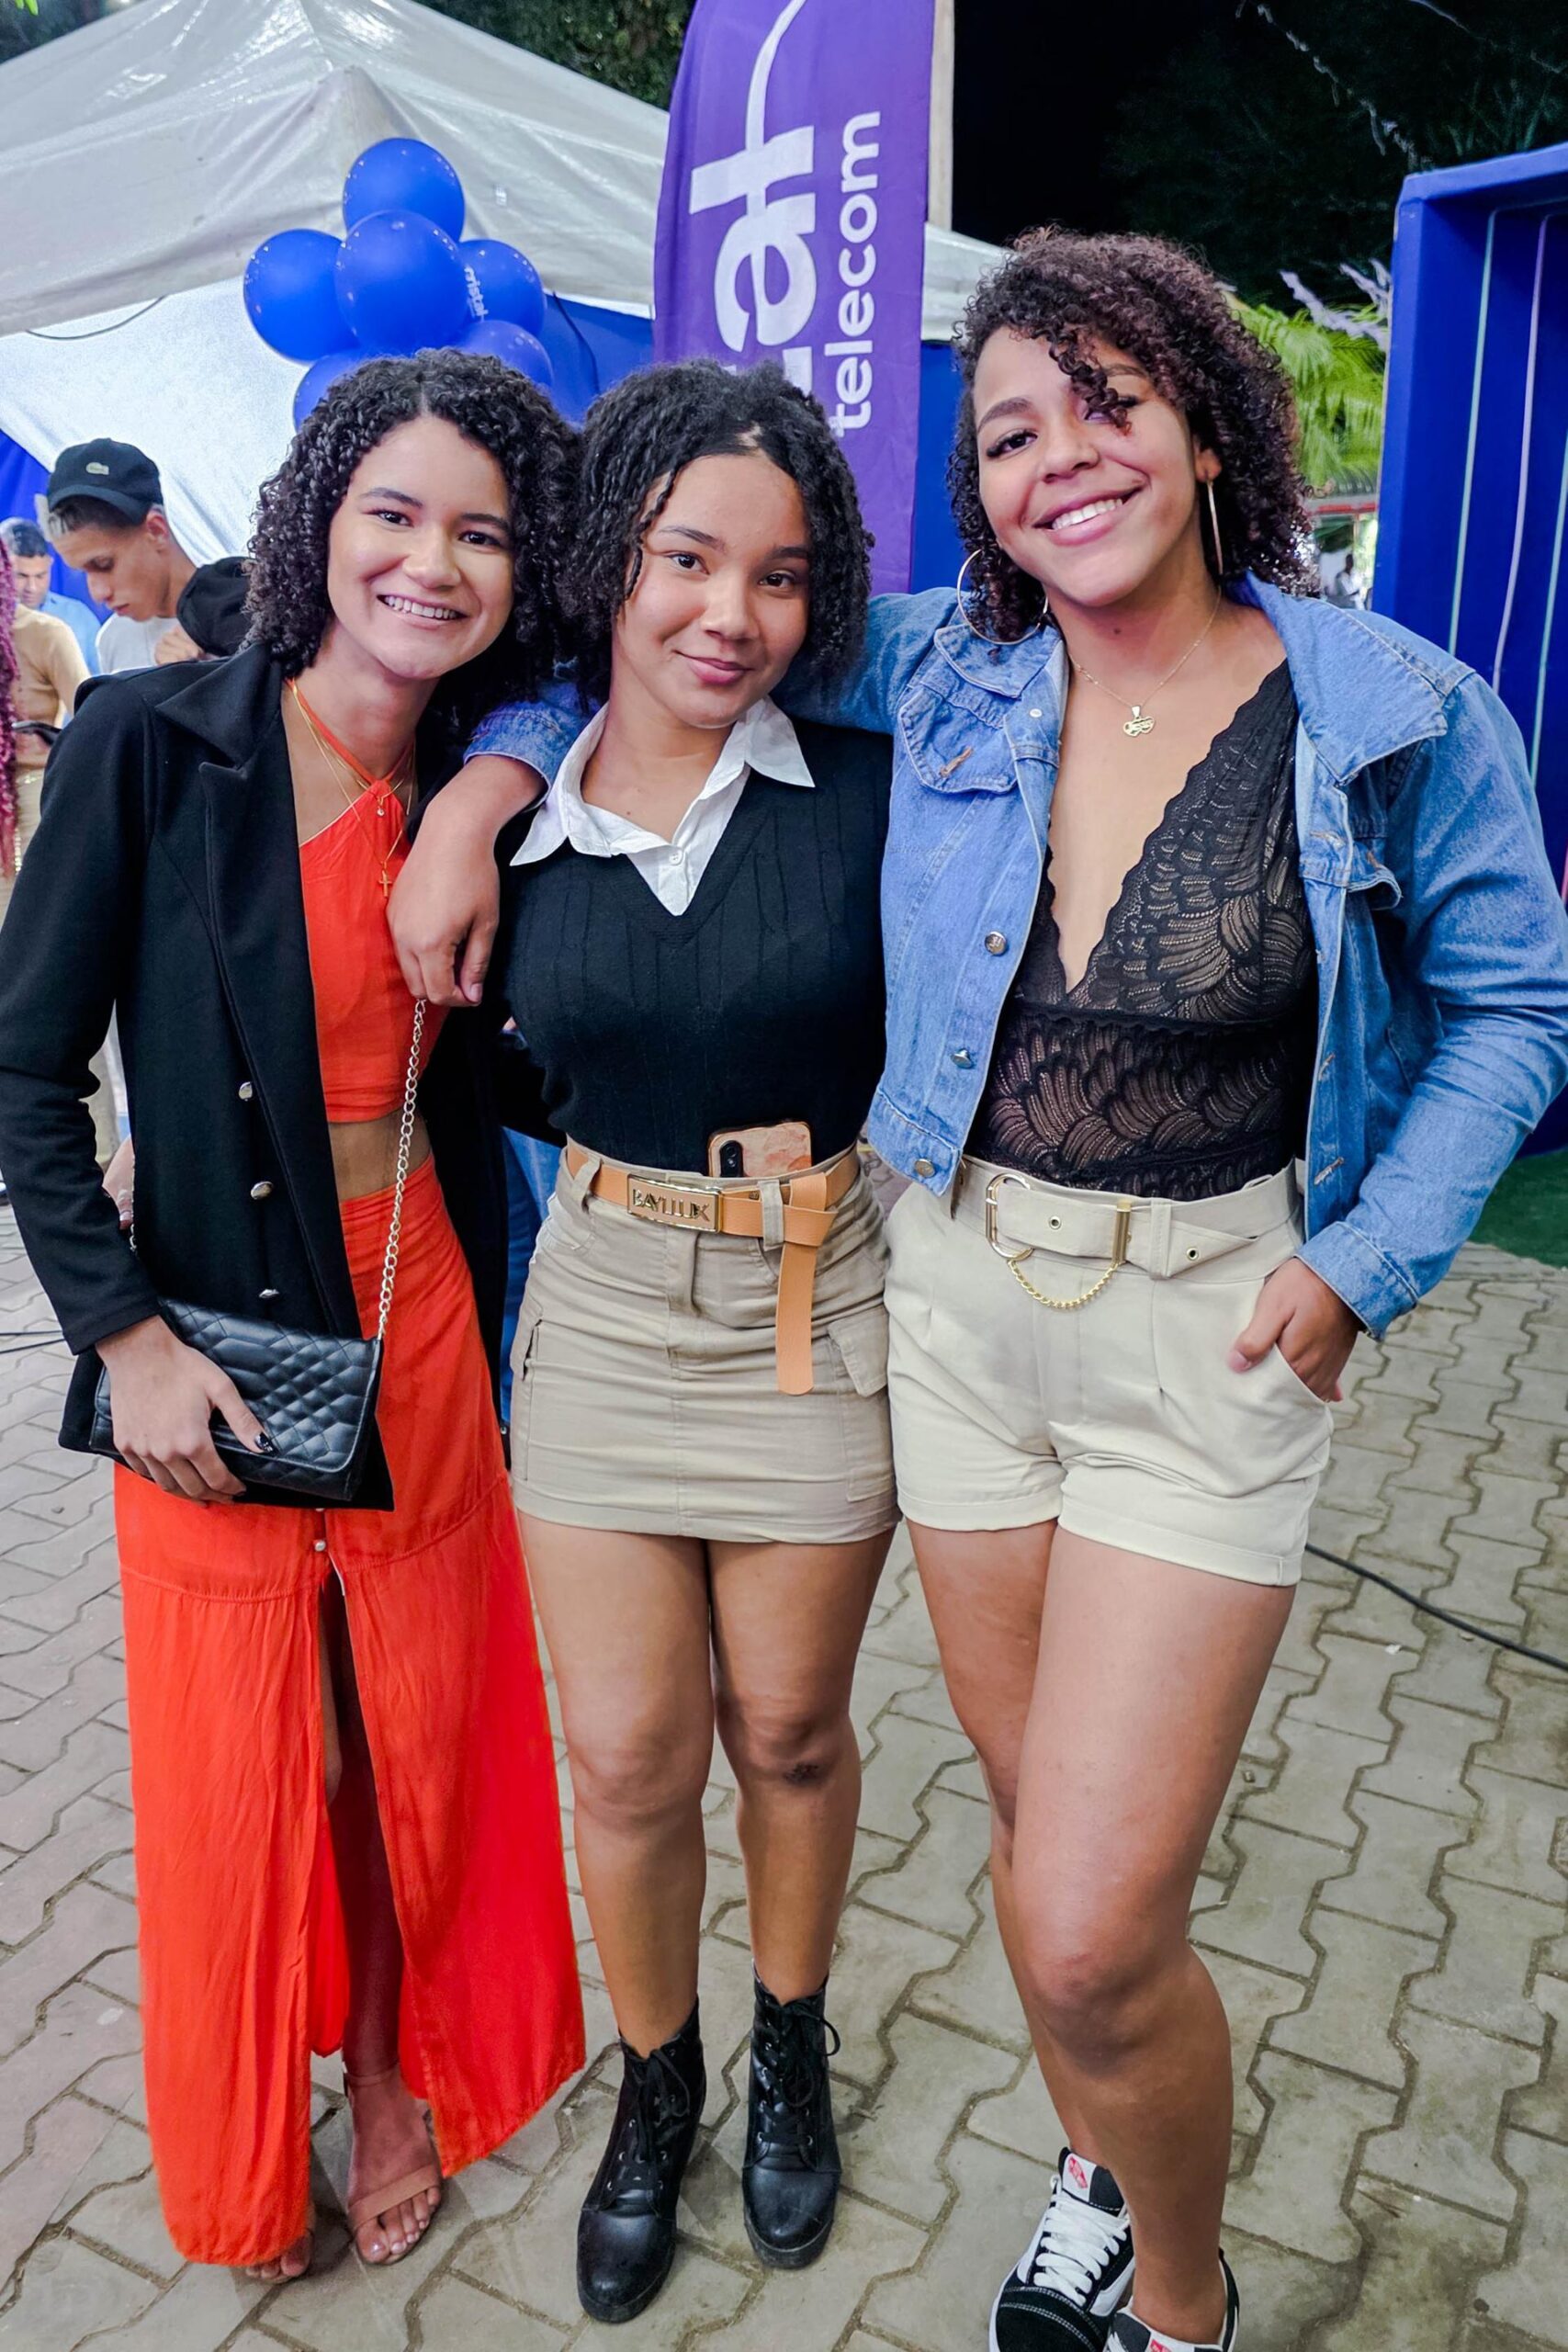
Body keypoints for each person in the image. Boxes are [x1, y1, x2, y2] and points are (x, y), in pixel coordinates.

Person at [392, 230, 1568, 2352]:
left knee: (1096, 1919)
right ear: (978, 494)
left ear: (1206, 426)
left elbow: (1510, 1006)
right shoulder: (939, 668)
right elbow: (669, 642)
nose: (1059, 459)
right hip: (946, 1312)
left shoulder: (1392, 711)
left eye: (1106, 403)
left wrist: (1364, 1258)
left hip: (1212, 1331)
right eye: (1009, 432)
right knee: (1038, 1838)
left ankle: (1180, 2305)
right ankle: (1090, 2170)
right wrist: (483, 789)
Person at [0, 352, 584, 2281]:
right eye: (393, 514)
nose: (432, 562)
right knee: (266, 1750)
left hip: (421, 1306)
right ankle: (264, 2116)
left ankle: (395, 2070)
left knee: (407, 1724)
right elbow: (23, 1071)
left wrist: (489, 794)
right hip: (212, 1335)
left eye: (483, 533)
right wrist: (121, 1339)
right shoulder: (151, 742)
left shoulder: (499, 777)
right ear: (316, 521)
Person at [426, 357, 897, 2324]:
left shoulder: (871, 789)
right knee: (625, 1752)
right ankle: (658, 2079)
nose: (731, 613)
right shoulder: (503, 819)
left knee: (783, 1726)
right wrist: (481, 790)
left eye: (779, 576)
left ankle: (788, 2041)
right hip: (609, 1304)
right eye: (687, 559)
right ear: (608, 563)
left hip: (817, 1294)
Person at [44, 440, 197, 673]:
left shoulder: (245, 615)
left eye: (104, 564)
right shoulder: (113, 639)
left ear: (156, 530)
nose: (98, 594)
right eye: (83, 572)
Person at [0, 515, 100, 670]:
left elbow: (101, 676)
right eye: (21, 576)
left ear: (50, 564)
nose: (32, 587)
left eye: (40, 575)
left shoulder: (78, 616)